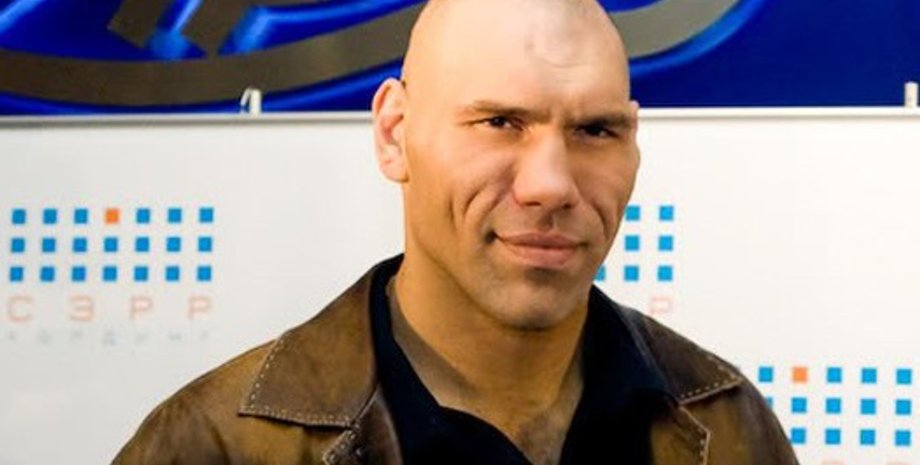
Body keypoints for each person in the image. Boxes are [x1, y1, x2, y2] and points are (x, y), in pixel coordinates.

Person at [113, 0, 798, 463]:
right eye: (499, 122)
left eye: (595, 130)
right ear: (394, 134)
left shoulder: (727, 424)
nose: (551, 184)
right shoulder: (217, 445)